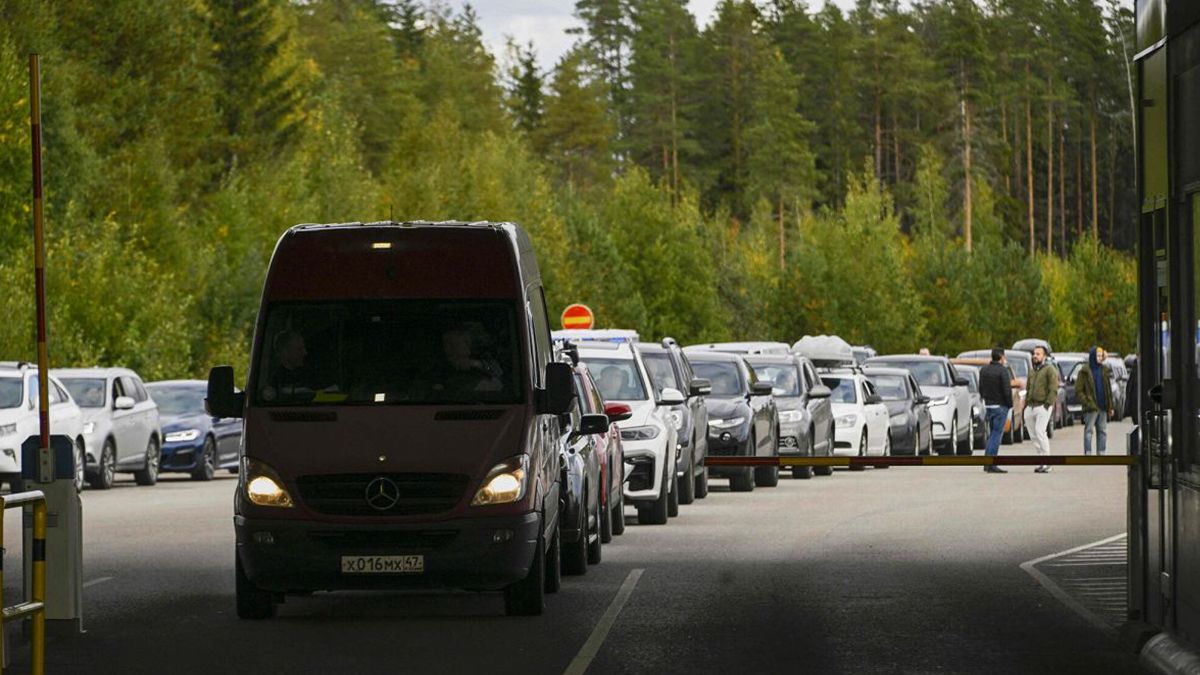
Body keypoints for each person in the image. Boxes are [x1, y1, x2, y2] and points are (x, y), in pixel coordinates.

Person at [437, 327, 502, 396]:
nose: (468, 343)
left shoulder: (481, 358)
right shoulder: (442, 368)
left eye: (467, 341)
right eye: (464, 341)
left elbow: (498, 373)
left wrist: (477, 364)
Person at [1025, 345, 1060, 473]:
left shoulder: (1049, 369)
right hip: (1030, 406)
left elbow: (1053, 388)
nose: (1035, 356)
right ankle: (1041, 460)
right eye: (1034, 353)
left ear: (1044, 356)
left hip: (1042, 406)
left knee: (1040, 432)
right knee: (1034, 436)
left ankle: (1047, 462)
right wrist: (1026, 404)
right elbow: (1028, 387)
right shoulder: (1032, 370)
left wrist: (1047, 404)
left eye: (1038, 354)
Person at [1075, 346, 1115, 455]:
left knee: (1102, 431)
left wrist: (1110, 406)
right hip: (1090, 407)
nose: (1100, 357)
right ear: (1092, 356)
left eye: (1101, 355)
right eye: (1098, 355)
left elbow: (1108, 390)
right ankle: (1088, 452)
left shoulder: (1104, 370)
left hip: (1102, 406)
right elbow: (1078, 390)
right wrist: (1087, 402)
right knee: (1089, 431)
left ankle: (1101, 452)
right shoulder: (1084, 371)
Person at [979, 349, 1014, 474]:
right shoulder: (1002, 371)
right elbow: (1007, 390)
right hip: (1000, 407)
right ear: (1001, 357)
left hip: (988, 406)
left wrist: (986, 400)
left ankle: (986, 462)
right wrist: (1010, 405)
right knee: (996, 435)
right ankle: (992, 463)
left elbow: (981, 389)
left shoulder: (984, 370)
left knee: (991, 434)